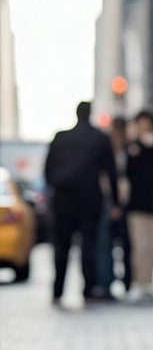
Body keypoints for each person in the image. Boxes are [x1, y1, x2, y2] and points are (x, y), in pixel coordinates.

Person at [44, 101, 119, 306]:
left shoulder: (60, 138)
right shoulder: (99, 139)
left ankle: (58, 290)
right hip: (89, 200)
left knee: (62, 247)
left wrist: (56, 190)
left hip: (63, 200)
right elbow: (111, 173)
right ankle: (88, 289)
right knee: (89, 246)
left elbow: (48, 170)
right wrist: (115, 202)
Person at [125, 109, 153, 304]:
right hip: (136, 203)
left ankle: (149, 283)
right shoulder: (132, 146)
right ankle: (138, 284)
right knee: (140, 246)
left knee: (152, 247)